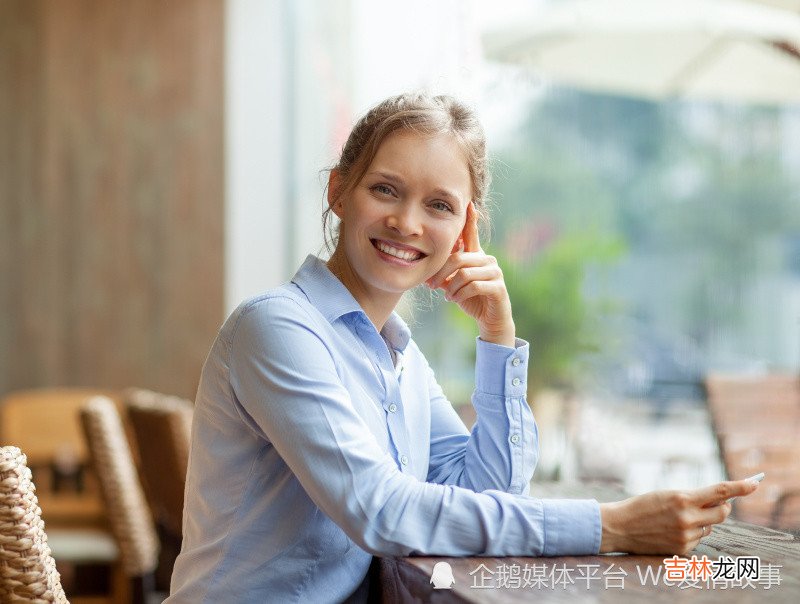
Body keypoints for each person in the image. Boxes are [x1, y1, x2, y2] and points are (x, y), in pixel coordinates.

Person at [166, 93, 759, 603]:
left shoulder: (398, 357)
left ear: (465, 230)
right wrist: (610, 525)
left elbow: (490, 493)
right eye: (385, 190)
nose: (407, 222)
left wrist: (498, 334)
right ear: (339, 191)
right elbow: (382, 511)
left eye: (439, 206)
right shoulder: (277, 330)